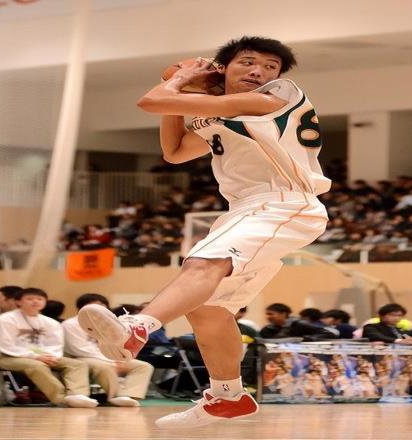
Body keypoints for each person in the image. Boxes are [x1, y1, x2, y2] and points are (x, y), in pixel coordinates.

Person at [78, 36, 330, 428]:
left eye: (270, 66)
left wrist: (178, 80)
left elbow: (150, 101)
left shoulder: (274, 98)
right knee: (207, 307)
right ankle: (228, 395)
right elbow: (175, 152)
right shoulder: (222, 116)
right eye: (248, 62)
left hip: (283, 202)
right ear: (225, 67)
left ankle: (136, 328)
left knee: (202, 263)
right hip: (247, 209)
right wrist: (179, 93)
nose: (259, 71)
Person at [0, 288, 97, 407]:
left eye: (39, 299)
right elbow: (5, 345)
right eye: (30, 299)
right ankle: (61, 399)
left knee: (77, 364)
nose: (35, 301)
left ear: (45, 302)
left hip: (42, 356)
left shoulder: (50, 322)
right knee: (36, 365)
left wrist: (50, 356)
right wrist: (35, 357)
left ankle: (78, 395)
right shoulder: (5, 320)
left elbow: (55, 344)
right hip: (6, 356)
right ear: (18, 302)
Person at [63, 294, 154, 406]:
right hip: (82, 357)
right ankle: (116, 396)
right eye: (94, 304)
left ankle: (128, 395)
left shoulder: (110, 325)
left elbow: (118, 342)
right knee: (104, 366)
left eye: (102, 304)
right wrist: (111, 360)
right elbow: (78, 349)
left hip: (109, 355)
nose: (99, 307)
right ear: (82, 307)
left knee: (143, 366)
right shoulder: (70, 324)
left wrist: (119, 358)